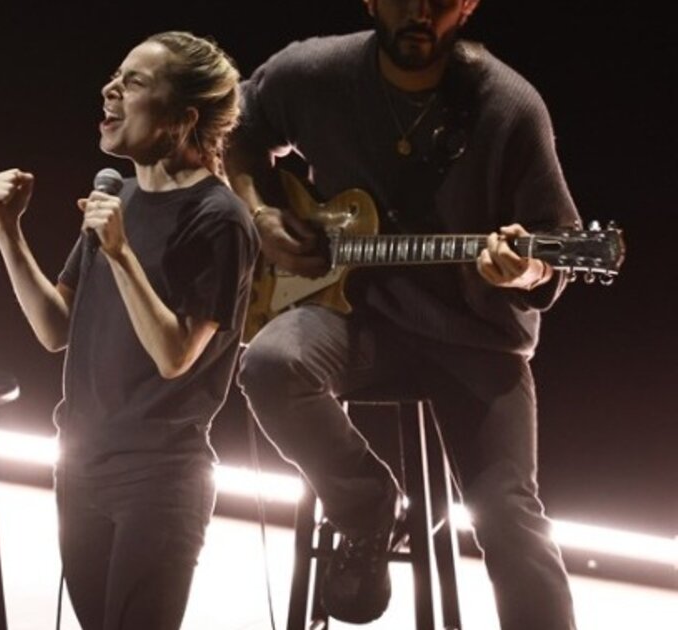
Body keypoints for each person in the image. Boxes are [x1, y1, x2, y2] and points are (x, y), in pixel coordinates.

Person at [226, 1, 579, 628]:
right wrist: (261, 214)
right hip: (350, 317)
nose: (419, 10)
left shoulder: (509, 105)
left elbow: (558, 248)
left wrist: (524, 269)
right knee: (271, 364)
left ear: (467, 4)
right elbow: (236, 131)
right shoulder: (315, 72)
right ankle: (366, 507)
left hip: (475, 338)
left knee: (509, 519)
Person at [0, 31, 258, 630]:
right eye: (115, 76)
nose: (110, 90)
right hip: (81, 465)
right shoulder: (119, 198)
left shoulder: (219, 218)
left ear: (184, 117)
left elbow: (174, 356)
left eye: (134, 83)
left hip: (158, 480)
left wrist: (122, 254)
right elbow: (55, 328)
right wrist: (8, 231)